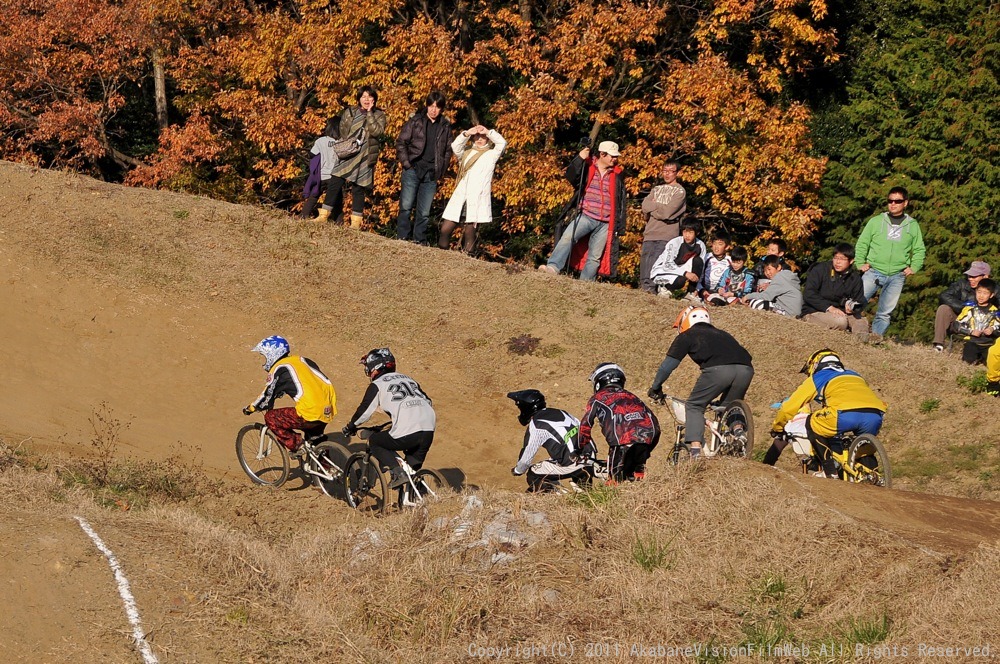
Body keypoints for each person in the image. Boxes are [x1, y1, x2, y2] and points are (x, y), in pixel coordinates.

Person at [647, 306, 754, 459]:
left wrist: (656, 387)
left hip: (719, 371)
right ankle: (739, 432)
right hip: (746, 370)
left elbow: (667, 366)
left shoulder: (688, 335)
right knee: (728, 405)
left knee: (694, 406)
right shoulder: (723, 334)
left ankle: (695, 453)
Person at [763, 349, 886, 478]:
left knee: (812, 422)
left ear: (814, 364)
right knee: (864, 451)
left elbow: (789, 407)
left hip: (843, 413)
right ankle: (874, 477)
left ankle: (830, 472)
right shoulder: (855, 375)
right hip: (874, 414)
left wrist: (777, 427)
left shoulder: (819, 376)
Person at [342, 348, 436, 489]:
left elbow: (364, 412)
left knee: (375, 441)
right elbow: (427, 401)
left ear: (375, 367)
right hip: (428, 428)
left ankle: (397, 473)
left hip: (407, 431)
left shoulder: (378, 384)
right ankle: (413, 498)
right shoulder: (408, 379)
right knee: (411, 474)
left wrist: (351, 426)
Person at [538, 141, 626, 281]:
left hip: (606, 222)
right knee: (567, 238)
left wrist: (620, 224)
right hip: (586, 215)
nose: (615, 159)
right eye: (612, 156)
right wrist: (580, 158)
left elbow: (621, 201)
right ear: (602, 154)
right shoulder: (588, 166)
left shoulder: (617, 175)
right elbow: (571, 176)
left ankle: (586, 283)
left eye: (615, 156)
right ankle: (553, 267)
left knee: (595, 257)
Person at [242, 336, 337, 455]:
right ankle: (328, 470)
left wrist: (251, 408)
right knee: (315, 440)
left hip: (310, 411)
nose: (265, 360)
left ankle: (297, 445)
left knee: (271, 417)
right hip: (328, 408)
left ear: (272, 354)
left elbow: (267, 396)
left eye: (264, 356)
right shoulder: (302, 360)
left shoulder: (279, 368)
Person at [855, 186, 926, 340]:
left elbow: (919, 248)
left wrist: (914, 267)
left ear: (905, 203)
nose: (893, 204)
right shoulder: (876, 221)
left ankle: (875, 338)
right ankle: (851, 332)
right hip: (873, 271)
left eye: (897, 201)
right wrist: (860, 263)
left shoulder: (912, 225)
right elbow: (862, 243)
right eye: (890, 201)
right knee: (857, 302)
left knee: (885, 312)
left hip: (896, 275)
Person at [578, 363, 659, 482]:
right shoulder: (632, 396)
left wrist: (580, 448)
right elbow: (651, 418)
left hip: (622, 439)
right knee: (636, 474)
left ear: (599, 381)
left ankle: (616, 491)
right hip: (650, 436)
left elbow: (585, 425)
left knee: (615, 479)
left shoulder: (598, 398)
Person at [321, 86, 387, 229]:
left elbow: (376, 131)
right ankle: (323, 215)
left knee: (359, 188)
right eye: (363, 97)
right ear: (358, 98)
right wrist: (348, 144)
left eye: (370, 97)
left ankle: (355, 223)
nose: (367, 100)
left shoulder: (379, 115)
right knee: (335, 182)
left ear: (374, 99)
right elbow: (343, 131)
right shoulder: (350, 111)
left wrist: (370, 113)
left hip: (365, 155)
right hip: (348, 152)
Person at [507, 389, 595, 493]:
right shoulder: (560, 412)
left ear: (526, 408)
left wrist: (518, 470)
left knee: (533, 473)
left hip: (572, 463)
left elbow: (526, 457)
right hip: (591, 456)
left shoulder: (536, 424)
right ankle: (584, 493)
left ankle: (559, 496)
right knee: (564, 462)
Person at [395, 91, 453, 243]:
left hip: (431, 172)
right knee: (406, 206)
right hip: (413, 168)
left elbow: (448, 150)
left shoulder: (445, 126)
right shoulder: (416, 121)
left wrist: (441, 170)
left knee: (424, 211)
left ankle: (419, 240)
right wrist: (407, 164)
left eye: (437, 107)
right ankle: (402, 236)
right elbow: (401, 142)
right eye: (431, 106)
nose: (434, 110)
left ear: (441, 109)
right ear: (427, 106)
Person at [439, 124, 506, 254]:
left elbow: (502, 143)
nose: (479, 139)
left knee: (470, 235)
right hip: (461, 195)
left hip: (477, 197)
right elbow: (455, 146)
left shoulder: (491, 154)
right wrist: (467, 133)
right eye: (476, 136)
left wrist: (488, 132)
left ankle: (468, 264)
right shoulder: (466, 153)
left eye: (482, 137)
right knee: (445, 229)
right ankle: (442, 256)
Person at [800, 242, 869, 342]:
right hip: (816, 310)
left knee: (860, 321)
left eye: (842, 259)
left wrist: (853, 308)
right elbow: (809, 294)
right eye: (836, 258)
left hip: (843, 312)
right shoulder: (820, 270)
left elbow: (860, 300)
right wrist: (829, 308)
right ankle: (808, 321)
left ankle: (863, 339)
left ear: (851, 261)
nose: (837, 262)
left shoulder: (855, 278)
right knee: (841, 322)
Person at [639, 161, 686, 293]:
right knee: (645, 260)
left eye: (671, 171)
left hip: (667, 233)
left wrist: (653, 208)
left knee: (657, 262)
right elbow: (644, 206)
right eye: (665, 170)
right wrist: (657, 208)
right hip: (650, 231)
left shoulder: (680, 191)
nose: (667, 174)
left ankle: (652, 290)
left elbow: (667, 213)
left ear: (677, 173)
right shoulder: (656, 189)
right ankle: (644, 289)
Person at [933, 261, 992, 352]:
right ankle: (938, 345)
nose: (970, 279)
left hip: (983, 327)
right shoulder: (962, 284)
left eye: (974, 276)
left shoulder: (995, 291)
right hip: (961, 321)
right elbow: (944, 296)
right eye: (969, 276)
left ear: (985, 276)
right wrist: (965, 308)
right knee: (943, 309)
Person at [650, 219, 707, 299]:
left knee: (698, 261)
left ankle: (691, 293)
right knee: (680, 281)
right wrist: (685, 273)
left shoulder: (701, 245)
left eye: (690, 232)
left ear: (697, 233)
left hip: (681, 270)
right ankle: (664, 288)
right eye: (685, 232)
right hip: (662, 270)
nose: (687, 235)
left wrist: (698, 287)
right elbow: (667, 264)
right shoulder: (674, 243)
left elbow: (701, 266)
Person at [306, 117, 349, 222]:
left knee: (314, 196)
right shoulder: (342, 142)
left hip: (321, 174)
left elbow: (312, 154)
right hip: (335, 176)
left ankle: (304, 215)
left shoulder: (321, 141)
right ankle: (339, 222)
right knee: (337, 200)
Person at [950, 278, 999, 365]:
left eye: (985, 293)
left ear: (991, 295)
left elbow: (998, 327)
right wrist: (970, 332)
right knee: (968, 361)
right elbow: (956, 325)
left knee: (990, 363)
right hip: (972, 341)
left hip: (988, 343)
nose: (981, 296)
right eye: (979, 292)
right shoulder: (969, 309)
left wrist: (992, 329)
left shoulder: (994, 311)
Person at [699, 229, 732, 305]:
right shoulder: (706, 257)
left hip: (722, 291)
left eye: (720, 244)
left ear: (727, 247)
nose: (716, 247)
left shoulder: (730, 260)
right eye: (714, 243)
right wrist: (701, 290)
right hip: (705, 290)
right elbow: (699, 277)